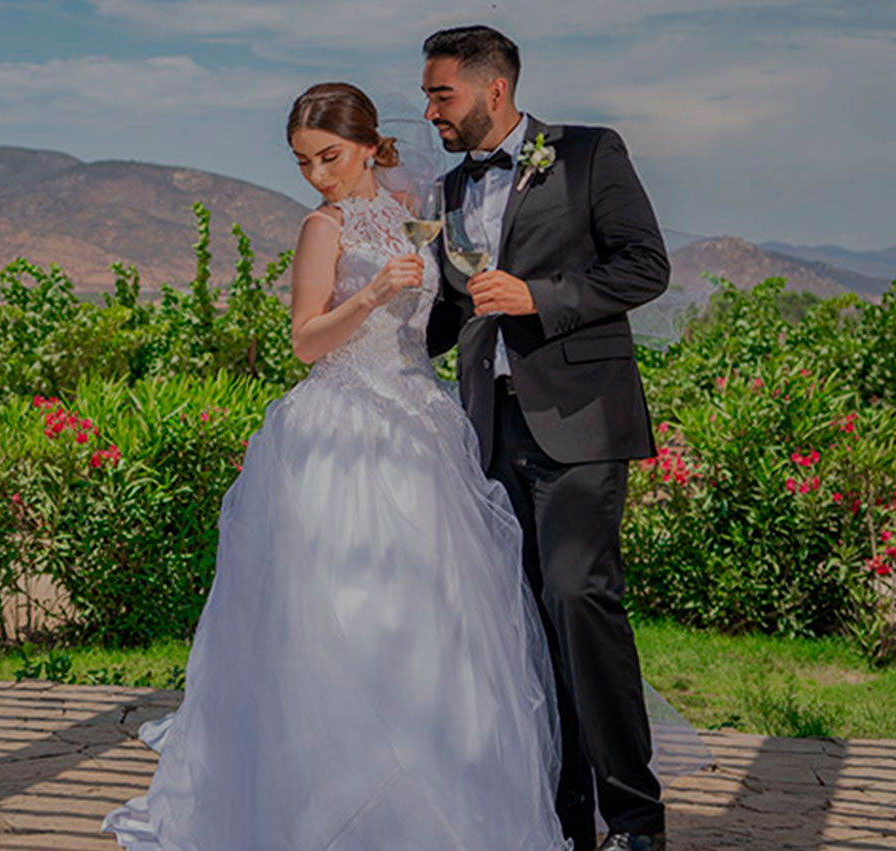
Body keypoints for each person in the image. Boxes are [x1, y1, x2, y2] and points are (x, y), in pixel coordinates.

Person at [102, 81, 570, 851]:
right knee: (342, 617)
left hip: (419, 428)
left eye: (330, 156)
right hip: (339, 431)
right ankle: (331, 805)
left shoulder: (417, 209)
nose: (319, 175)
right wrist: (372, 294)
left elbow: (445, 302)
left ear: (367, 145)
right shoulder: (322, 227)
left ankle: (441, 800)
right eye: (303, 162)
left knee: (435, 621)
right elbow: (305, 342)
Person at [422, 24, 671, 851]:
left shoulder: (590, 153)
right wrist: (379, 312)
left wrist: (539, 296)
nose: (431, 112)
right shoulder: (448, 190)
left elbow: (645, 266)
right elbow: (453, 311)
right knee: (523, 623)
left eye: (442, 94)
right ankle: (563, 821)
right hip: (489, 432)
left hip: (581, 419)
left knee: (577, 599)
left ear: (494, 89)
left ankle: (633, 819)